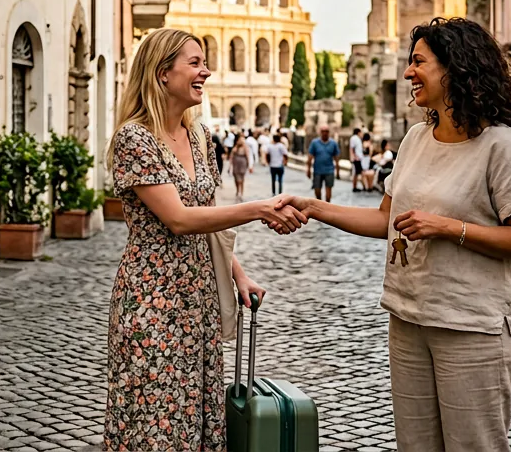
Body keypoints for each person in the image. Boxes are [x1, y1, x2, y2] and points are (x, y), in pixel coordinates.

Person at [285, 18, 511, 451]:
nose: (408, 73)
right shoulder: (416, 139)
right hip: (407, 318)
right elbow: (386, 220)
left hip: (471, 326)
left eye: (419, 62)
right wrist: (314, 208)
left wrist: (448, 228)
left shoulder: (503, 147)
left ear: (455, 69)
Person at [104, 28, 306, 450]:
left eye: (204, 63)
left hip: (201, 300)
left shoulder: (200, 138)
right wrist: (258, 208)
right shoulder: (135, 138)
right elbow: (178, 219)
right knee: (155, 417)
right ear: (162, 74)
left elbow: (211, 224)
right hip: (152, 298)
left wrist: (239, 276)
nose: (206, 72)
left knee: (197, 412)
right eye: (195, 63)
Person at [306, 125, 340, 202]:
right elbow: (310, 157)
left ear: (329, 133)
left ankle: (326, 208)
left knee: (328, 194)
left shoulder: (333, 143)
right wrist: (308, 169)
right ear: (320, 132)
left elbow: (336, 158)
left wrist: (338, 171)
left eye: (326, 131)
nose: (325, 133)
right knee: (317, 191)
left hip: (329, 170)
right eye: (323, 131)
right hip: (317, 170)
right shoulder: (314, 143)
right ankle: (320, 205)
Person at [229, 132, 253, 200]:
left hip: (243, 164)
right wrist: (230, 166)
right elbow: (231, 156)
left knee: (241, 179)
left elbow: (248, 156)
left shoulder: (245, 147)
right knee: (236, 178)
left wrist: (249, 166)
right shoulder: (235, 147)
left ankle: (241, 192)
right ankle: (237, 190)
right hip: (236, 164)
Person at [349, 126, 365, 192]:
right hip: (357, 158)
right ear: (358, 132)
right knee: (358, 173)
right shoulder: (354, 138)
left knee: (356, 173)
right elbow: (352, 148)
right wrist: (354, 157)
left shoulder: (357, 139)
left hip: (357, 158)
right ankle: (363, 187)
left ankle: (355, 187)